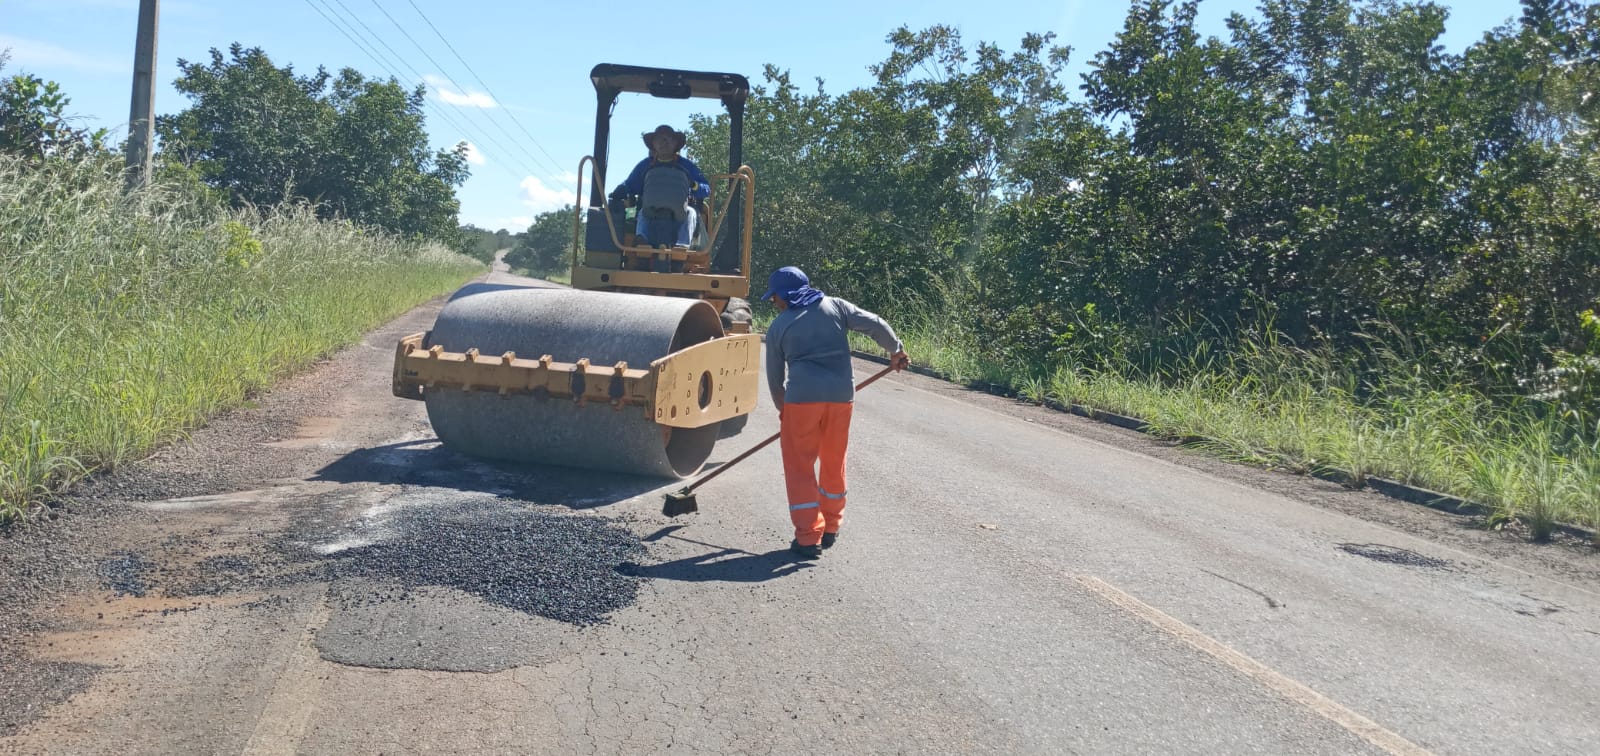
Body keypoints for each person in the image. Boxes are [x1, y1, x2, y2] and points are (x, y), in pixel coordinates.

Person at [762, 266, 910, 560]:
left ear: (785, 294)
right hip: (842, 398)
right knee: (833, 459)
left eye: (774, 297)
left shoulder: (779, 327)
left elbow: (775, 380)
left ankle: (807, 538)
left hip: (801, 400)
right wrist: (896, 350)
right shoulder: (836, 306)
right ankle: (830, 527)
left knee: (800, 466)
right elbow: (876, 324)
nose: (774, 302)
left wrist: (785, 413)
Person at [609, 124, 710, 249]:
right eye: (659, 139)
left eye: (669, 139)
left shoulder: (687, 166)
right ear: (654, 144)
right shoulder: (645, 165)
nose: (664, 142)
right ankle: (642, 243)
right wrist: (621, 190)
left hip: (680, 214)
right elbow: (631, 184)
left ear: (675, 144)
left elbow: (706, 189)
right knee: (641, 213)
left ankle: (681, 247)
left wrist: (694, 185)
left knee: (691, 213)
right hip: (650, 213)